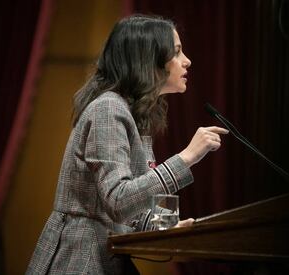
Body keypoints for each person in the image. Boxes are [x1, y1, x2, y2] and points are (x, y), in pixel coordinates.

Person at [26, 14, 228, 274]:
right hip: (81, 260)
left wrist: (166, 228)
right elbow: (118, 200)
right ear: (148, 59)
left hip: (103, 256)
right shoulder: (108, 109)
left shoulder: (134, 113)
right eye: (177, 52)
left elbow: (130, 208)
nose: (187, 61)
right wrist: (186, 157)